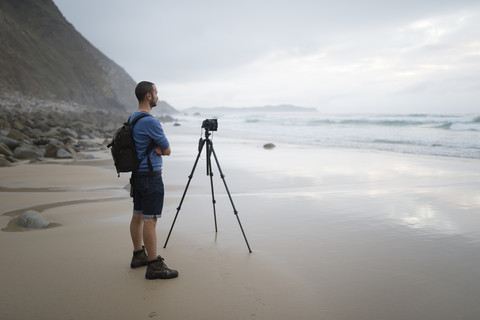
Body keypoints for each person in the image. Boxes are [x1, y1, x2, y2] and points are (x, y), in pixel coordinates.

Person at [128, 81, 178, 279]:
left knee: (138, 216)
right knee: (150, 220)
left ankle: (138, 255)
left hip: (137, 175)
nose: (158, 95)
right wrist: (160, 149)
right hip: (151, 177)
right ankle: (154, 265)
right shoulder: (150, 121)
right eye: (156, 92)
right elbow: (167, 149)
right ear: (148, 96)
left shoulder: (133, 118)